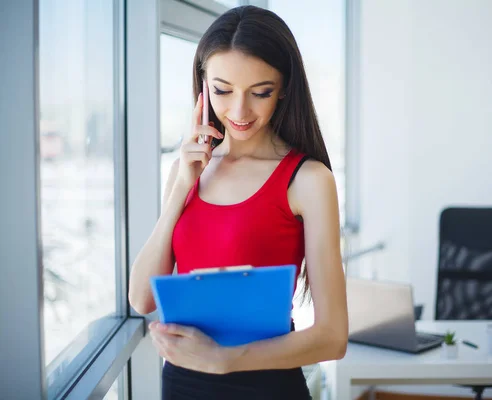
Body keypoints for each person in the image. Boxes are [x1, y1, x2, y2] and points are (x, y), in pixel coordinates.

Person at [128, 5, 348, 400]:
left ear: (283, 88)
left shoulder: (309, 180)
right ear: (203, 85)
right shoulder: (186, 171)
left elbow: (333, 338)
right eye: (223, 90)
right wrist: (181, 186)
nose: (239, 111)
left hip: (265, 386)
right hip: (182, 385)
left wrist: (223, 358)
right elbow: (141, 298)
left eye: (260, 92)